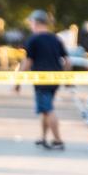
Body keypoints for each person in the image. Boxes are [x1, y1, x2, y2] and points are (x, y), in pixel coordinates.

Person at [21, 10, 70, 151]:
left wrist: (18, 80)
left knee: (48, 109)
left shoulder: (33, 39)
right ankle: (43, 137)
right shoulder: (56, 39)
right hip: (55, 79)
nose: (30, 25)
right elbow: (67, 61)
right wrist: (66, 78)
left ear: (36, 22)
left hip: (41, 79)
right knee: (45, 109)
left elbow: (28, 62)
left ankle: (58, 140)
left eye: (31, 22)